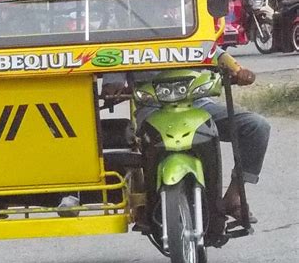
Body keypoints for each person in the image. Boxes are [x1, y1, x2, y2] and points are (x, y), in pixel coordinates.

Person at [100, 48, 270, 229]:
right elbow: (114, 66)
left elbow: (216, 52)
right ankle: (147, 202)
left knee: (256, 127)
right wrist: (113, 85)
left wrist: (237, 70)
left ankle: (234, 196)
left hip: (198, 104)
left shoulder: (188, 27)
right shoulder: (130, 38)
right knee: (150, 144)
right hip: (154, 108)